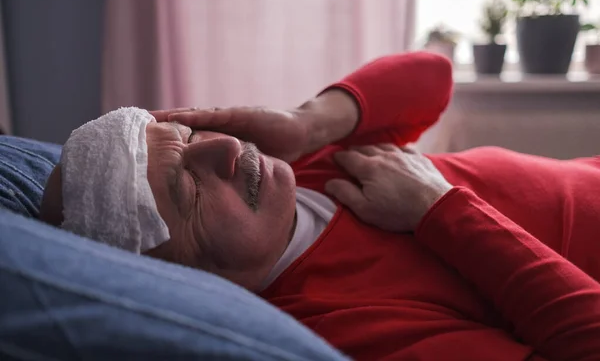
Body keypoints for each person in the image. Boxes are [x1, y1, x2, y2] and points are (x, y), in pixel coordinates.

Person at [41, 51, 600, 360]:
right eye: (189, 191)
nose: (229, 148)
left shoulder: (300, 172)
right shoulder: (344, 327)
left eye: (188, 139)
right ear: (175, 275)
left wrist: (306, 124)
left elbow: (432, 75)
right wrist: (439, 207)